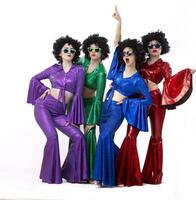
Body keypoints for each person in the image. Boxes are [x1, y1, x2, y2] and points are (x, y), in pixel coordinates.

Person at [93, 7, 152, 187]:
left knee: (104, 138)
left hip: (118, 110)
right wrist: (119, 22)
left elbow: (147, 100)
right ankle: (112, 172)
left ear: (136, 55)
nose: (126, 55)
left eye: (129, 53)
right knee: (104, 139)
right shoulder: (118, 69)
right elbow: (117, 42)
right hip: (106, 105)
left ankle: (109, 175)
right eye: (124, 54)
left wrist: (128, 101)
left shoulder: (137, 80)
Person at [27, 35, 87, 184]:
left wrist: (74, 117)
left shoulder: (79, 70)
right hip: (44, 107)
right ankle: (50, 175)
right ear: (59, 53)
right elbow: (34, 79)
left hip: (60, 113)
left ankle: (70, 172)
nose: (69, 51)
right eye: (65, 49)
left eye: (72, 50)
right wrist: (46, 90)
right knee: (52, 137)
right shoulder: (53, 69)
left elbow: (78, 95)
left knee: (79, 137)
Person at [139, 30, 194, 184]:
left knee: (156, 137)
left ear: (162, 47)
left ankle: (155, 175)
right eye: (150, 46)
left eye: (157, 45)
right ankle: (131, 172)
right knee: (131, 134)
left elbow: (170, 82)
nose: (154, 47)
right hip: (141, 101)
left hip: (156, 102)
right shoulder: (141, 64)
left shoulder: (164, 65)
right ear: (146, 48)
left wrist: (186, 72)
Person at [80, 34, 109, 181]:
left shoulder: (101, 72)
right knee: (76, 136)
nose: (93, 52)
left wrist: (92, 120)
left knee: (89, 135)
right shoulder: (82, 61)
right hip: (77, 103)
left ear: (102, 52)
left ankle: (91, 174)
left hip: (91, 105)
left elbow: (99, 98)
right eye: (90, 49)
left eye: (97, 49)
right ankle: (77, 172)